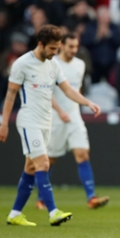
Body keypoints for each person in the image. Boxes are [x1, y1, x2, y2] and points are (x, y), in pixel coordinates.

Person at [0, 25, 101, 227]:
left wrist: (87, 102)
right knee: (43, 164)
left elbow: (68, 90)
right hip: (29, 121)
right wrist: (3, 123)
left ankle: (15, 213)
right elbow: (10, 95)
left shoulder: (53, 65)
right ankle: (53, 212)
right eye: (52, 48)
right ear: (41, 44)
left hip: (46, 122)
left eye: (57, 48)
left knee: (30, 168)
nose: (55, 53)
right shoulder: (22, 64)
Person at [34, 33, 109, 210]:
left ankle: (91, 197)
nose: (74, 50)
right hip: (55, 118)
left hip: (74, 117)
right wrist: (60, 111)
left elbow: (75, 90)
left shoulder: (80, 65)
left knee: (83, 154)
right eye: (70, 47)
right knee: (49, 161)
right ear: (62, 46)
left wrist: (86, 103)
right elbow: (46, 93)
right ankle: (41, 198)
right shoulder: (51, 65)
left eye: (76, 46)